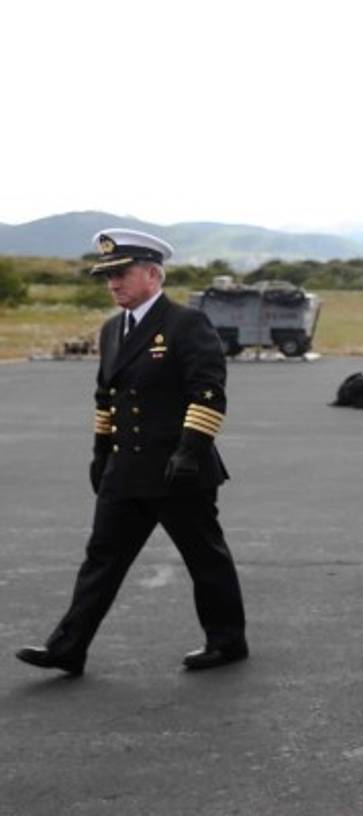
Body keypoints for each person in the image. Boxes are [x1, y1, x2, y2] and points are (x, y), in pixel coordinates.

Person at [15, 229, 247, 676]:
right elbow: (106, 397)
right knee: (101, 560)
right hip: (125, 471)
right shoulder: (110, 329)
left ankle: (227, 641)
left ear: (153, 274)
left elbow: (209, 394)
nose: (113, 284)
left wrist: (190, 452)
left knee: (205, 558)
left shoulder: (185, 323)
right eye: (108, 276)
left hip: (177, 470)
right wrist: (101, 451)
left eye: (121, 274)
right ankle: (68, 647)